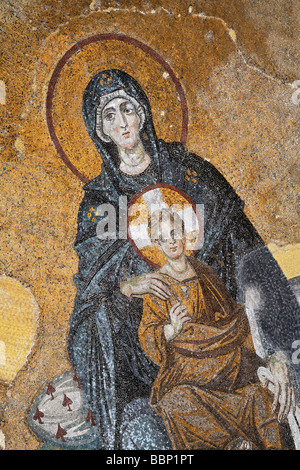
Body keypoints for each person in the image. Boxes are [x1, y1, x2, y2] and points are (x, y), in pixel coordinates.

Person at [68, 69, 300, 450]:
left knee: (265, 402)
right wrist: (129, 286)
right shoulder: (101, 204)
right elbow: (90, 305)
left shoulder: (191, 175)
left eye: (127, 108)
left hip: (228, 348)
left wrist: (276, 355)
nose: (122, 122)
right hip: (158, 364)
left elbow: (254, 264)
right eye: (109, 116)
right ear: (100, 130)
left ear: (142, 112)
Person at [135, 208, 293, 450]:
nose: (171, 242)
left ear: (184, 233)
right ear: (156, 243)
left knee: (258, 396)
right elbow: (148, 336)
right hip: (186, 368)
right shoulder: (157, 286)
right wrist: (172, 329)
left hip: (226, 357)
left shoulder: (206, 273)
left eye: (174, 233)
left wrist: (271, 353)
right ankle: (232, 444)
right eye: (163, 238)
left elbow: (233, 319)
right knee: (174, 402)